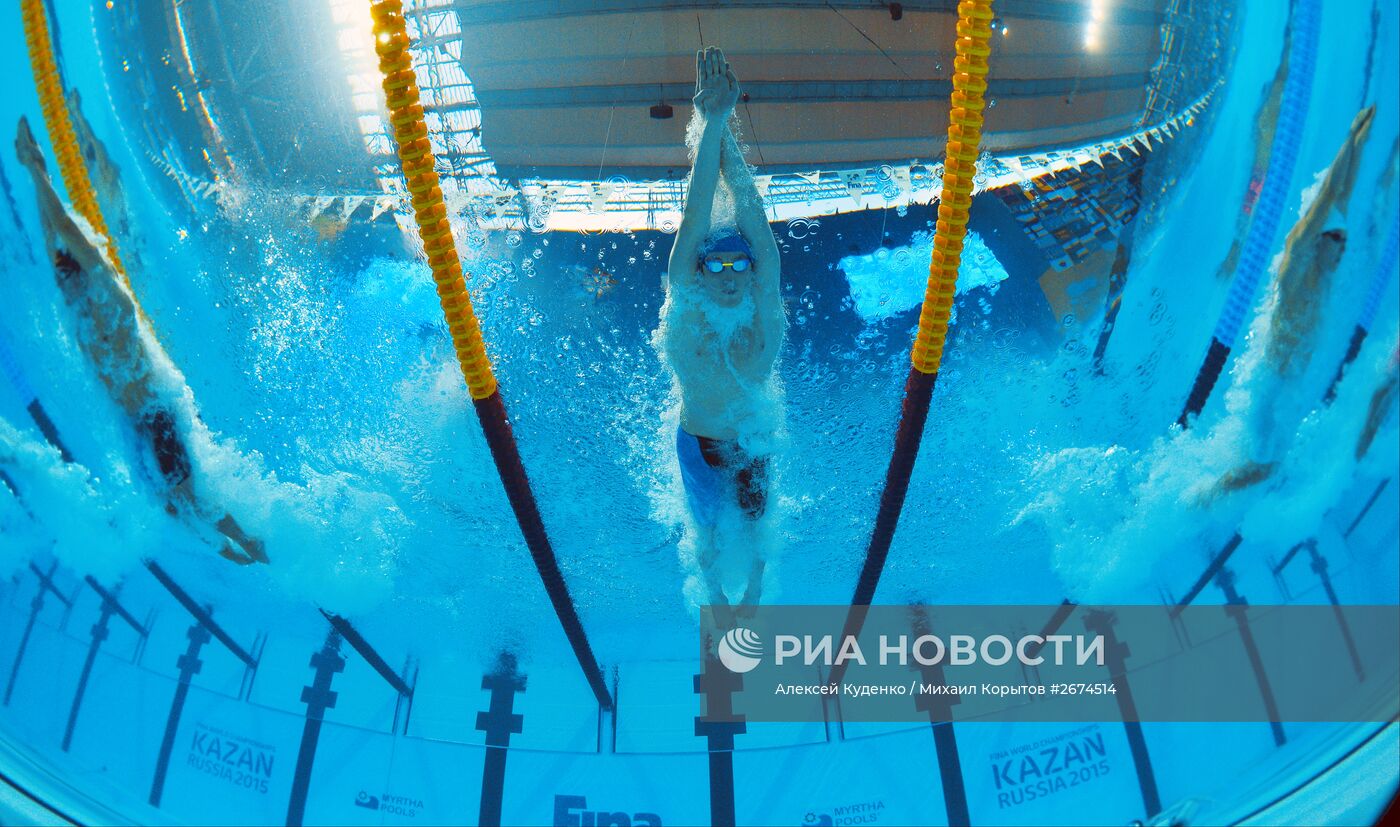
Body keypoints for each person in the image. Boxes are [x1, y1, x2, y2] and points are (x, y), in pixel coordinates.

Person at [15, 116, 266, 565]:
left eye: (69, 277)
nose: (65, 285)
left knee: (191, 500)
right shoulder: (79, 313)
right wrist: (37, 172)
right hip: (132, 422)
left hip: (155, 411)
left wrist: (36, 171)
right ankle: (236, 549)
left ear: (85, 276)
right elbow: (56, 239)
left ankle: (252, 547)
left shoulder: (109, 293)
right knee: (171, 508)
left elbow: (68, 234)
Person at [661, 48, 783, 615]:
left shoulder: (764, 308)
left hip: (753, 438)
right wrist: (712, 123)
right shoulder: (685, 302)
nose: (730, 275)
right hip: (699, 442)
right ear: (700, 271)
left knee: (759, 527)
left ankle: (754, 591)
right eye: (717, 264)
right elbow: (696, 214)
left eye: (740, 264)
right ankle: (712, 595)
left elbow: (754, 222)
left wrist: (725, 125)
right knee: (706, 530)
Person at [1213, 106, 1375, 495]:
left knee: (1267, 466)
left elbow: (1342, 200)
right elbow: (1325, 205)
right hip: (1270, 384)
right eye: (1339, 241)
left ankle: (1207, 499)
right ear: (1321, 241)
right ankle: (1196, 504)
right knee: (1260, 466)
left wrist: (1358, 146)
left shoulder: (1323, 276)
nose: (1344, 249)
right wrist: (1349, 141)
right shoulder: (1298, 266)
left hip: (1286, 383)